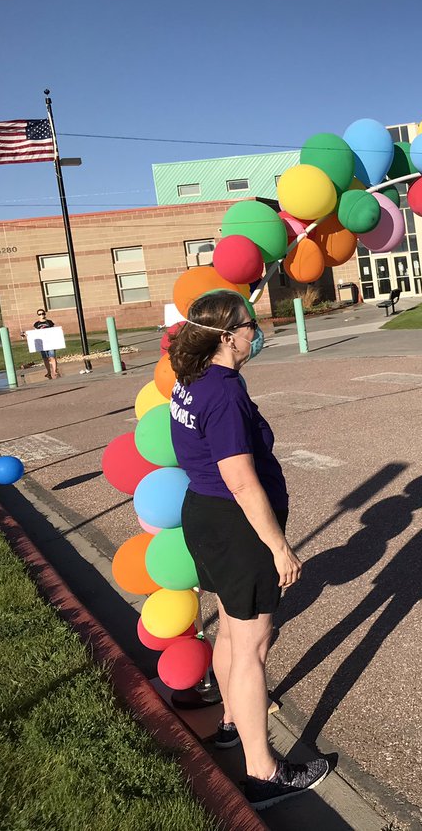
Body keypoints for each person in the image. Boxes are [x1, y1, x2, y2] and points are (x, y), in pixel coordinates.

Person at [168, 289, 329, 809]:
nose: (255, 331)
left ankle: (231, 723)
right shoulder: (223, 392)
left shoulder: (192, 379)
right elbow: (240, 479)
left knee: (231, 628)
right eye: (248, 324)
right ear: (226, 336)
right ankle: (264, 773)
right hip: (235, 526)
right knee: (252, 647)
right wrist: (279, 546)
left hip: (205, 517)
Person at [32, 309, 61, 379]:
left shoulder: (50, 322)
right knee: (45, 358)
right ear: (38, 315)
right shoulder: (36, 324)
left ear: (45, 314)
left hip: (50, 342)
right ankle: (48, 372)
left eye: (43, 313)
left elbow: (54, 331)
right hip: (42, 344)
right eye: (39, 314)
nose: (41, 315)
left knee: (52, 356)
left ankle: (55, 371)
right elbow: (34, 334)